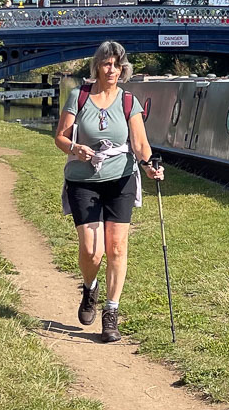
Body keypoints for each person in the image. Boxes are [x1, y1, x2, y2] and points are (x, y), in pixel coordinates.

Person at [54, 41, 165, 343]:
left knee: (116, 248)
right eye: (106, 64)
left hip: (121, 179)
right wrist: (75, 148)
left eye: (117, 64)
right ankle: (89, 288)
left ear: (123, 68)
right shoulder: (79, 97)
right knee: (92, 250)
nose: (112, 69)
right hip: (83, 180)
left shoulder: (129, 102)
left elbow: (140, 144)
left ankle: (111, 312)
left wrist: (150, 165)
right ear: (97, 67)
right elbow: (61, 138)